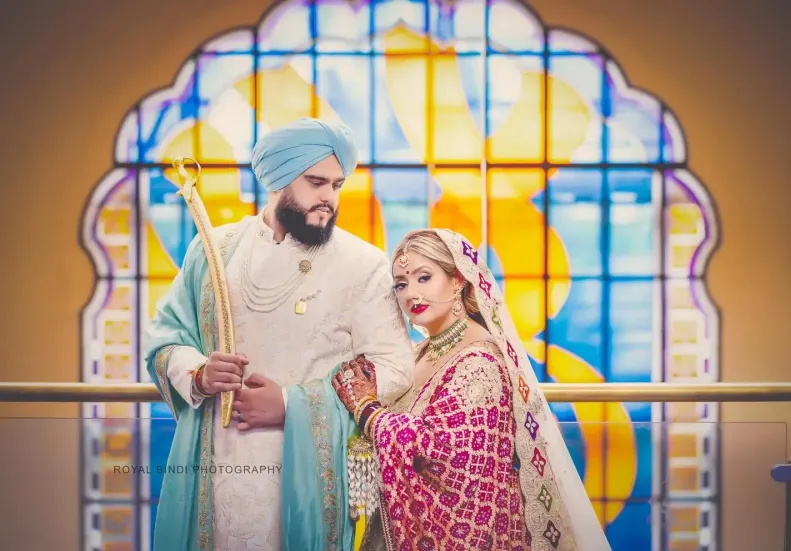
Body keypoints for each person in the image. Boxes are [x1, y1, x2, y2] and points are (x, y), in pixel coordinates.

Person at [143, 117, 415, 551]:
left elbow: (396, 367)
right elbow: (165, 336)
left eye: (337, 185)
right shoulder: (214, 249)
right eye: (315, 182)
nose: (328, 197)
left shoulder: (362, 264)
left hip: (308, 474)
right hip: (213, 469)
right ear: (278, 180)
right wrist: (197, 374)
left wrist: (291, 405)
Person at [332, 229, 611, 551]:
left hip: (474, 532)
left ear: (459, 280)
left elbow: (448, 454)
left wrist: (367, 410)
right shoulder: (420, 352)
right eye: (401, 284)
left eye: (424, 277)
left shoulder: (481, 361)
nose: (411, 293)